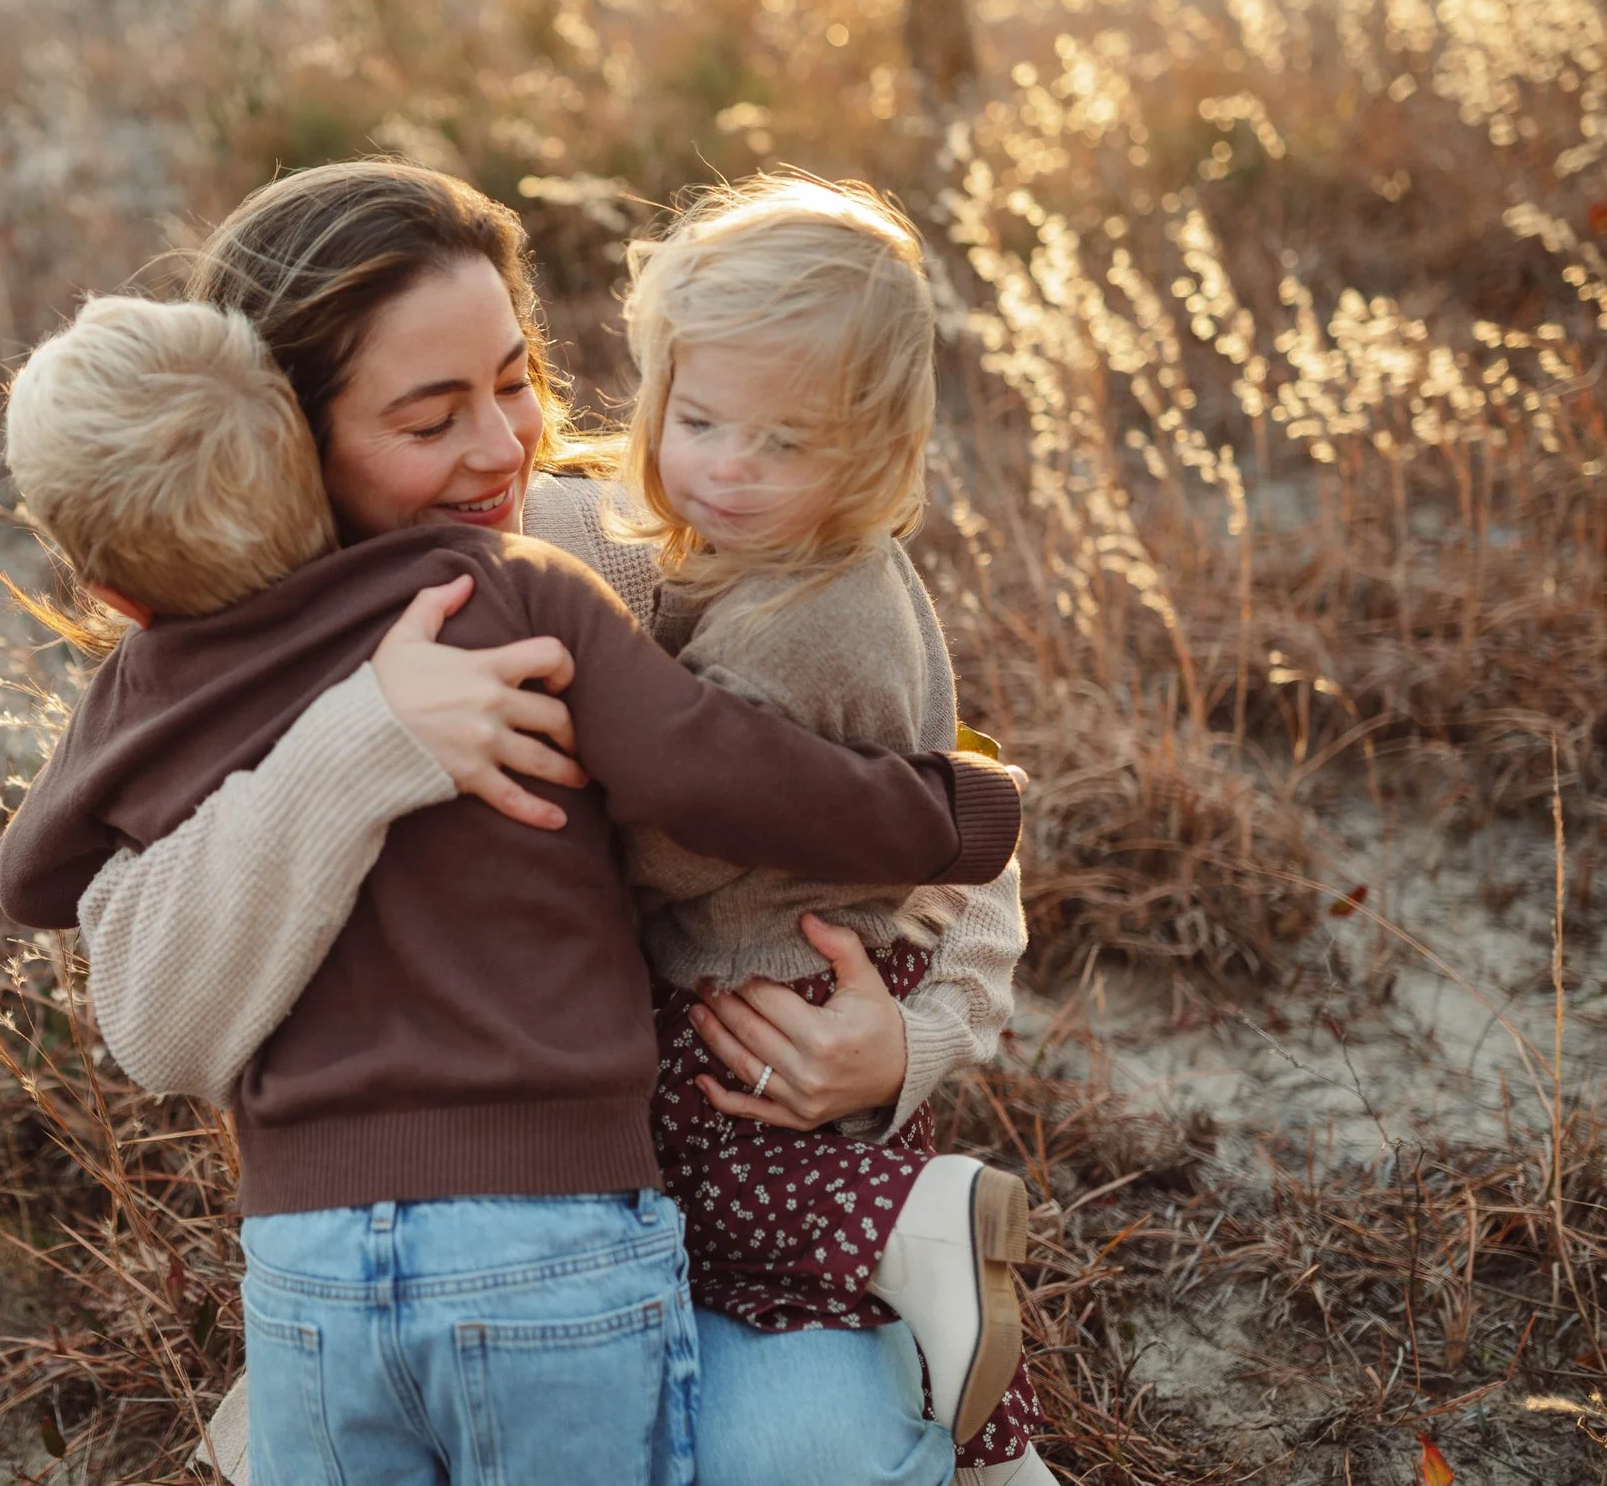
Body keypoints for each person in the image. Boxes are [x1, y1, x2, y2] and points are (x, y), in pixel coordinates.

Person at [59, 159, 1044, 1486]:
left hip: (721, 1200)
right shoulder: (230, 659)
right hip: (424, 1264)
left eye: (514, 381)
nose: (502, 448)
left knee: (808, 1454)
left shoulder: (625, 540)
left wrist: (908, 1043)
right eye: (430, 418)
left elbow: (914, 797)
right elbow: (156, 1025)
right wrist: (364, 742)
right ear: (290, 439)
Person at [616, 171, 1044, 1477]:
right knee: (785, 1237)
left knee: (718, 1186)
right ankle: (996, 1443)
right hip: (804, 970)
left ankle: (913, 1231)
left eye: (787, 443)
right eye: (698, 420)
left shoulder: (803, 618)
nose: (729, 465)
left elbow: (690, 827)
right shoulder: (778, 558)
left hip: (772, 979)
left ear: (874, 449)